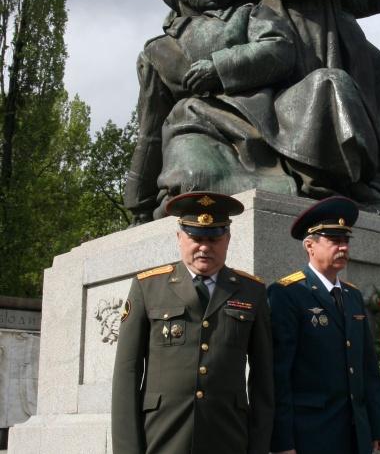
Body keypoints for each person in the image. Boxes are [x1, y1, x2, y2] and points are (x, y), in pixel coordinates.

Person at [124, 0, 301, 224]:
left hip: (255, 120)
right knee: (195, 181)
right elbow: (150, 125)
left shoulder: (246, 14)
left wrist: (219, 68)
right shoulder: (157, 50)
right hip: (193, 126)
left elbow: (279, 48)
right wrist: (137, 201)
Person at [111, 192, 273, 454]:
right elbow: (126, 375)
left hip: (228, 438)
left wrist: (259, 447)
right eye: (196, 238)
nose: (205, 247)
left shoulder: (251, 291)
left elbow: (264, 379)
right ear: (179, 238)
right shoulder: (147, 287)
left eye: (214, 238)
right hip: (163, 437)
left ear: (228, 240)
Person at [268, 196, 380, 454]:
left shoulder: (352, 295)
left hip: (355, 433)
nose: (343, 248)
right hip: (311, 434)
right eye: (335, 241)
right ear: (310, 246)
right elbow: (279, 375)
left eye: (346, 241)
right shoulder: (287, 293)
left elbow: (367, 367)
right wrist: (282, 441)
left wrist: (378, 425)